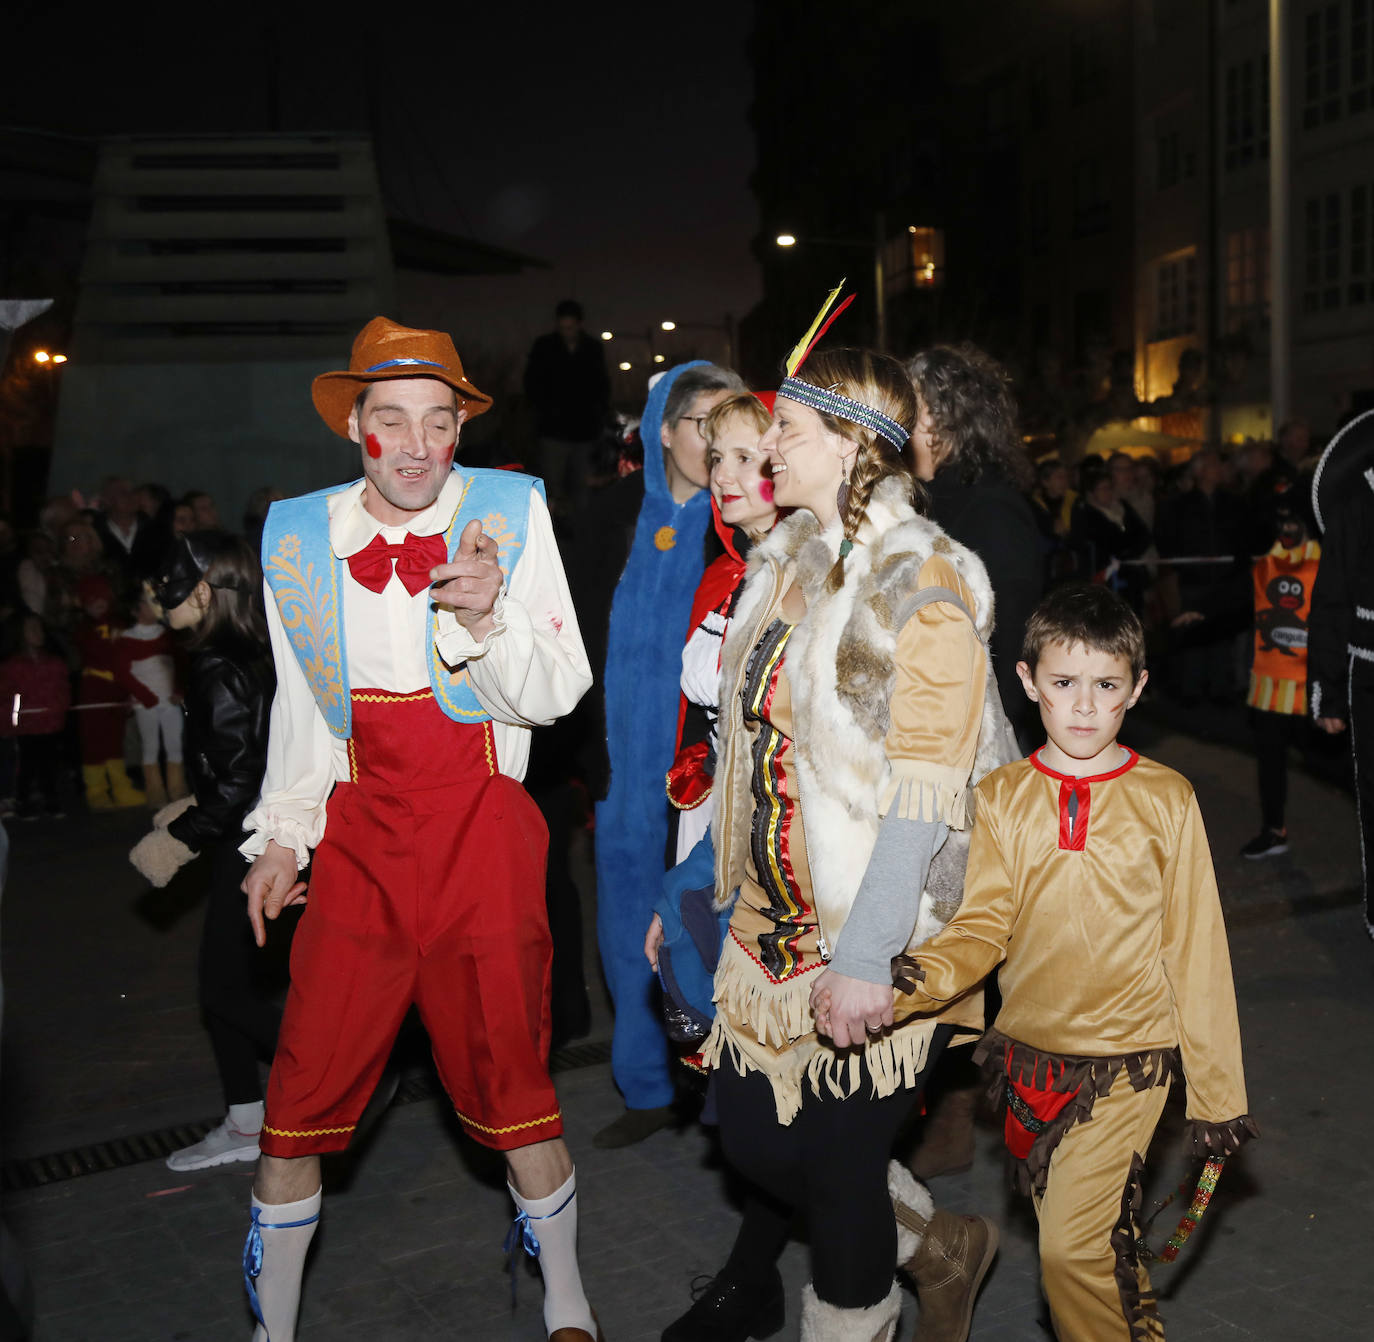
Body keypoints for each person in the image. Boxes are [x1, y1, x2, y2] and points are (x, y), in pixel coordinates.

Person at [235, 317, 597, 1342]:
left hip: (480, 823)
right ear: (354, 424)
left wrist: (485, 618)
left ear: (458, 431)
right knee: (299, 1089)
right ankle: (273, 1329)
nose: (414, 445)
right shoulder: (299, 534)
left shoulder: (512, 511)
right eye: (390, 420)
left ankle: (570, 1305)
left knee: (512, 1073)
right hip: (357, 835)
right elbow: (302, 708)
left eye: (437, 423)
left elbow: (558, 692)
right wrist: (283, 834)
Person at [666, 344, 1007, 1342]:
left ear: (856, 445)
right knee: (758, 1149)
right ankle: (944, 1248)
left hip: (882, 932)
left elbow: (928, 787)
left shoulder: (922, 578)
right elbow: (741, 757)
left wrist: (866, 958)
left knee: (840, 1172)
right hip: (766, 931)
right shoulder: (788, 561)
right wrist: (695, 897)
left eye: (790, 430)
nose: (766, 443)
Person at [890, 584, 1256, 1342]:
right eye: (1064, 684)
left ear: (1138, 689)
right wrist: (912, 978)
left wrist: (1217, 1098)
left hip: (1128, 1067)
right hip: (1028, 1070)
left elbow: (1198, 951)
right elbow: (983, 924)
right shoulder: (1003, 796)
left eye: (1106, 686)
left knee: (1070, 1252)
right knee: (1091, 1254)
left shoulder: (1167, 798)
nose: (1084, 706)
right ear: (1028, 683)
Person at [593, 360, 745, 1149]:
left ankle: (721, 1083)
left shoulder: (744, 524)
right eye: (704, 427)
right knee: (623, 926)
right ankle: (645, 1086)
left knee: (694, 924)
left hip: (703, 775)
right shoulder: (602, 519)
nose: (720, 446)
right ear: (664, 429)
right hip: (619, 778)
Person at [128, 531, 281, 1170]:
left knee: (223, 992)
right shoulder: (256, 648)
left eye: (171, 583)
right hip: (269, 839)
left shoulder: (221, 662)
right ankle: (248, 1122)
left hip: (251, 847)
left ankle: (343, 1079)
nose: (157, 598)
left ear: (202, 590)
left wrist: (178, 839)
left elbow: (238, 786)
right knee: (229, 985)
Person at [907, 344, 1043, 749]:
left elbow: (1012, 638)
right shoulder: (930, 500)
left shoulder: (991, 508)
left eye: (910, 409)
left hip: (975, 739)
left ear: (942, 417)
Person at [665, 391, 779, 862]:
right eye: (716, 458)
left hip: (771, 820)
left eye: (744, 458)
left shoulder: (810, 581)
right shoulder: (724, 575)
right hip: (706, 804)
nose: (720, 476)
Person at [1240, 481, 1321, 858]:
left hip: (1313, 684)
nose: (1286, 530)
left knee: (1334, 765)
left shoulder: (1327, 562)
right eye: (1281, 522)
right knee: (1270, 761)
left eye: (1293, 522)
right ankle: (1274, 830)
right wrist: (1203, 611)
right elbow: (1234, 595)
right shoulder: (1265, 563)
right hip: (1270, 684)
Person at [523, 299, 611, 513]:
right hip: (553, 430)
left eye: (570, 327)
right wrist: (544, 409)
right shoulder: (544, 346)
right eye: (563, 327)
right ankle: (553, 533)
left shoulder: (592, 348)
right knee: (552, 487)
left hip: (585, 431)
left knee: (583, 488)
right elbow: (532, 382)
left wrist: (599, 417)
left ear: (579, 324)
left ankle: (583, 535)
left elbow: (602, 386)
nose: (566, 332)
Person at [73, 574, 151, 809]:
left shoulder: (118, 623)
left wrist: (128, 690)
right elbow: (98, 652)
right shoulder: (85, 629)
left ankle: (120, 788)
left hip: (116, 688)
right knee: (95, 742)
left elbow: (123, 656)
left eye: (102, 597)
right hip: (94, 690)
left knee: (115, 741)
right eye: (93, 599)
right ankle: (97, 791)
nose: (98, 603)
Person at [119, 587, 185, 807]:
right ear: (136, 609)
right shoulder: (127, 639)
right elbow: (122, 673)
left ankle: (177, 792)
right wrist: (144, 696)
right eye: (147, 603)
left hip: (170, 701)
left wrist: (178, 690)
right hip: (144, 704)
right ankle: (155, 793)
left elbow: (178, 663)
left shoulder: (167, 634)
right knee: (150, 747)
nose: (153, 607)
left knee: (174, 744)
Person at [0, 614, 70, 820]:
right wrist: (13, 720)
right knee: (27, 765)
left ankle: (51, 799)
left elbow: (63, 689)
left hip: (49, 723)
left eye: (39, 629)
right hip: (26, 725)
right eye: (32, 629)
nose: (38, 633)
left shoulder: (54, 662)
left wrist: (58, 708)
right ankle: (23, 801)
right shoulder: (12, 666)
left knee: (49, 763)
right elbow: (7, 695)